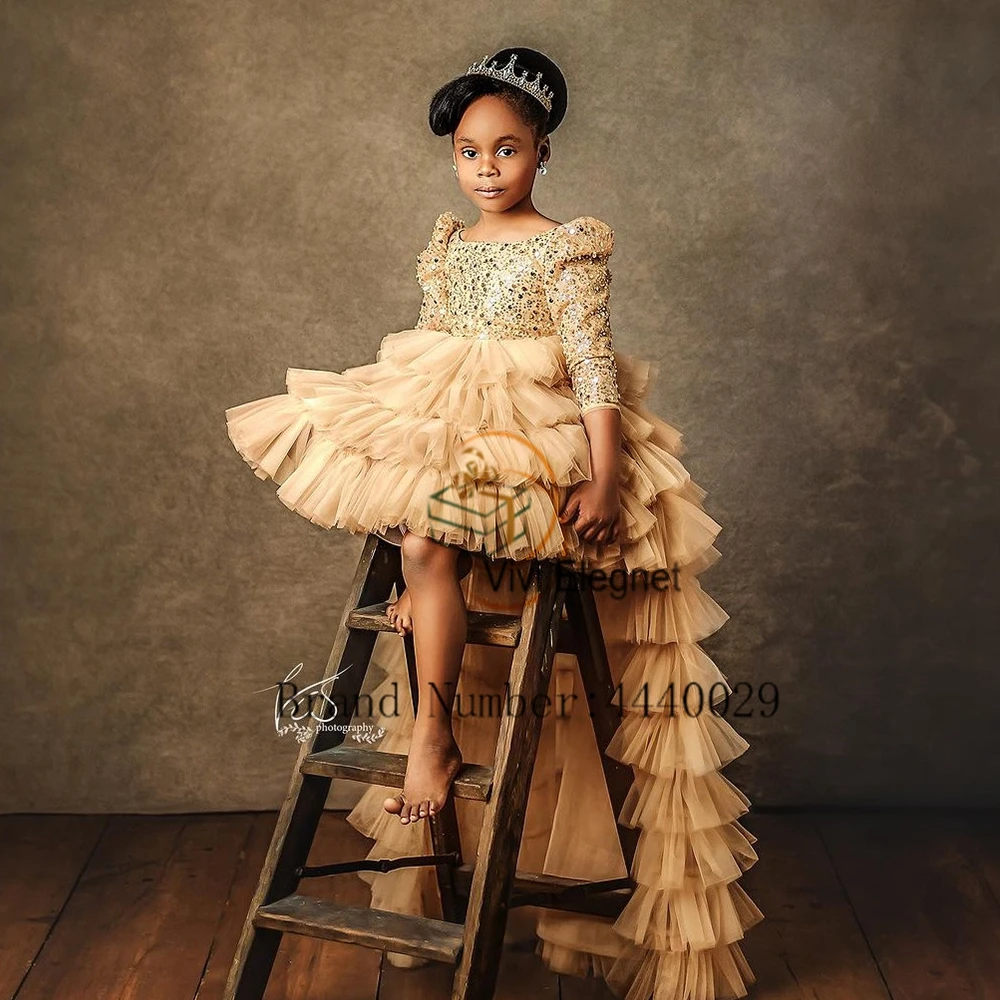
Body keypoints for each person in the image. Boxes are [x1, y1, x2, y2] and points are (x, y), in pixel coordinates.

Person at [225, 45, 762, 1000]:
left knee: (435, 530)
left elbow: (591, 367)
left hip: (541, 436)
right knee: (407, 507)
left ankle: (434, 729)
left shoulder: (567, 246)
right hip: (456, 430)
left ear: (542, 153)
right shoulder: (449, 246)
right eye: (469, 151)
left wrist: (602, 476)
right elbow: (432, 364)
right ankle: (434, 610)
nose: (485, 169)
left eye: (506, 150)